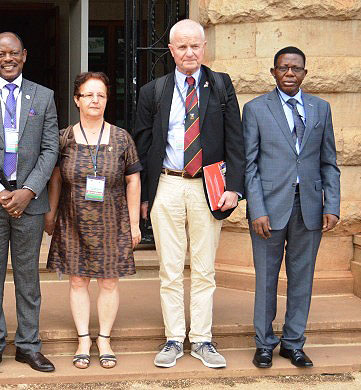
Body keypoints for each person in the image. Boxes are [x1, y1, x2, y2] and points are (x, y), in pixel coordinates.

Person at [132, 19, 245, 369]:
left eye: (195, 45)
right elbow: (143, 143)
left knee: (204, 268)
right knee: (169, 268)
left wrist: (235, 188)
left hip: (208, 187)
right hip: (167, 184)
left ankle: (202, 340)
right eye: (182, 46)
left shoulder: (221, 85)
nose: (189, 52)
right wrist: (144, 197)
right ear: (171, 50)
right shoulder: (154, 90)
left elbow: (235, 140)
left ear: (204, 46)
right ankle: (173, 338)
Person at [0, 32, 59, 376]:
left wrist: (29, 190)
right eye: (1, 54)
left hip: (30, 203)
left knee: (27, 276)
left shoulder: (44, 97)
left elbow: (51, 150)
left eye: (14, 53)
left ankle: (29, 346)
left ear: (24, 55)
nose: (8, 58)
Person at [243, 46, 340, 369]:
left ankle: (294, 342)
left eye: (295, 68)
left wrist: (333, 205)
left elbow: (330, 161)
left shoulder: (320, 108)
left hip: (309, 207)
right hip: (268, 209)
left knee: (302, 277)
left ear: (304, 73)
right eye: (283, 68)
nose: (289, 73)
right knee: (267, 279)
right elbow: (249, 165)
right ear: (273, 72)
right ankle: (265, 343)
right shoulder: (256, 109)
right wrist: (256, 209)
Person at [45, 72, 142, 369]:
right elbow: (56, 178)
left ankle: (105, 339)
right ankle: (84, 339)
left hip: (112, 220)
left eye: (100, 95)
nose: (94, 100)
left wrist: (135, 223)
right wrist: (50, 214)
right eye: (88, 95)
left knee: (109, 282)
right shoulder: (64, 137)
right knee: (77, 280)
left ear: (107, 99)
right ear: (77, 100)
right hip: (73, 219)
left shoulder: (122, 137)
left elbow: (133, 180)